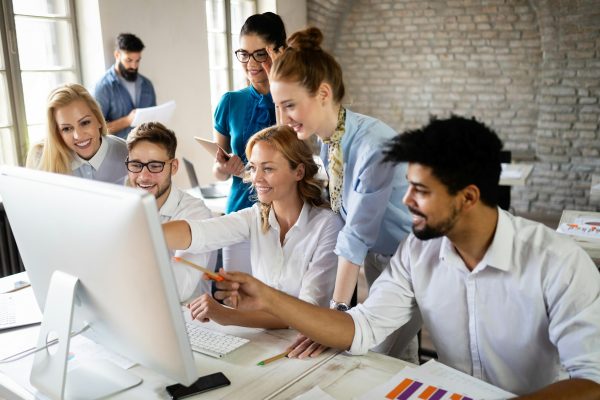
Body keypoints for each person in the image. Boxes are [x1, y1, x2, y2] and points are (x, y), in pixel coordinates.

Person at [212, 115, 600, 398]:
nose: (405, 200)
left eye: (420, 190)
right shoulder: (417, 251)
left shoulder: (559, 263)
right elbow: (360, 329)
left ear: (468, 197)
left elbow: (591, 383)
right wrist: (267, 296)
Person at [268, 27, 417, 361]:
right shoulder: (330, 141)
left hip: (416, 257)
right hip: (382, 254)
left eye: (290, 105)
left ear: (323, 93)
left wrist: (335, 316)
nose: (285, 118)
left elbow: (356, 234)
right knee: (399, 354)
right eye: (279, 106)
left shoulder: (372, 146)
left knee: (372, 353)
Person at [163, 125, 342, 329]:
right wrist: (146, 233)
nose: (256, 178)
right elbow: (200, 232)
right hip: (266, 337)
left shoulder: (327, 225)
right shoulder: (256, 216)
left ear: (299, 172)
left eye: (268, 168)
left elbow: (305, 313)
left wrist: (227, 315)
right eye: (253, 167)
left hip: (307, 342)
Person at [212, 12, 286, 276]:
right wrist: (225, 167)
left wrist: (279, 83)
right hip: (238, 209)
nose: (250, 63)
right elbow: (217, 170)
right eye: (243, 54)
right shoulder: (230, 101)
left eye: (259, 54)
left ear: (277, 52)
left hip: (282, 214)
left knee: (276, 300)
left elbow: (289, 146)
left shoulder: (292, 99)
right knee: (238, 297)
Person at [126, 122, 214, 302]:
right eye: (136, 165)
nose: (143, 176)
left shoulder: (196, 213)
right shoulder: (121, 206)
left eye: (155, 166)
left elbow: (177, 289)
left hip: (187, 318)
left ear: (173, 167)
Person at [26, 83, 128, 184]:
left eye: (85, 123)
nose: (78, 136)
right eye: (66, 128)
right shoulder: (40, 157)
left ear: (99, 120)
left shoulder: (127, 152)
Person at [94, 33, 156, 139]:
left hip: (145, 151)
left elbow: (153, 120)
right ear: (117, 55)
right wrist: (127, 121)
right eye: (129, 60)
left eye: (137, 61)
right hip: (117, 152)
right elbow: (96, 130)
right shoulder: (103, 87)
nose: (134, 66)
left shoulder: (147, 85)